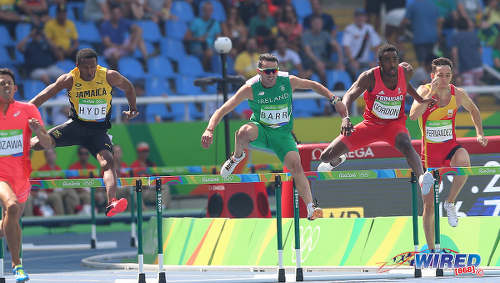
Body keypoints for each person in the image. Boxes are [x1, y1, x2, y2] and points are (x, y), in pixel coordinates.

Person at [201, 53, 350, 220]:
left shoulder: (288, 81)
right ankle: (236, 157)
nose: (271, 75)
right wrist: (210, 129)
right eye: (267, 71)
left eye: (274, 71)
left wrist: (334, 99)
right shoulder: (250, 89)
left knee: (296, 167)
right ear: (259, 71)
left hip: (282, 136)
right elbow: (223, 110)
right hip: (261, 130)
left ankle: (310, 208)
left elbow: (313, 85)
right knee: (242, 132)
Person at [29, 48, 139, 217]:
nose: (90, 71)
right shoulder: (70, 79)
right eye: (86, 67)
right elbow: (46, 93)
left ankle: (112, 202)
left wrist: (132, 109)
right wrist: (25, 110)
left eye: (93, 67)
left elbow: (129, 87)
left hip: (98, 131)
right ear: (77, 66)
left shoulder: (110, 76)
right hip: (76, 127)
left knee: (108, 162)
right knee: (37, 145)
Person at [317, 44, 437, 197]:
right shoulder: (369, 77)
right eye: (387, 60)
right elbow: (348, 96)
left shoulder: (406, 71)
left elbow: (405, 85)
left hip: (394, 125)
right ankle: (338, 159)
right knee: (325, 157)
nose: (392, 63)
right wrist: (345, 118)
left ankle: (421, 178)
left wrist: (420, 99)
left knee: (407, 145)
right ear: (380, 63)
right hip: (370, 125)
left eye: (395, 59)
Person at [409, 57, 488, 249]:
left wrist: (479, 133)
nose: (444, 79)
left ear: (452, 76)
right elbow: (413, 116)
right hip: (429, 155)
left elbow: (474, 110)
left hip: (450, 147)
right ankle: (431, 250)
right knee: (428, 206)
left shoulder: (457, 94)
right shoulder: (423, 91)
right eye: (440, 75)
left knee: (464, 160)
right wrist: (432, 92)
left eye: (448, 75)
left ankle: (450, 202)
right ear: (432, 76)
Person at [0, 68, 53, 282]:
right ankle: (17, 265)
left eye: (8, 83)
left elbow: (48, 144)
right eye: (1, 83)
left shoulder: (28, 110)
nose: (5, 86)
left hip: (21, 176)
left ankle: (16, 263)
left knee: (11, 220)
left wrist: (39, 130)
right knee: (11, 206)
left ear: (15, 88)